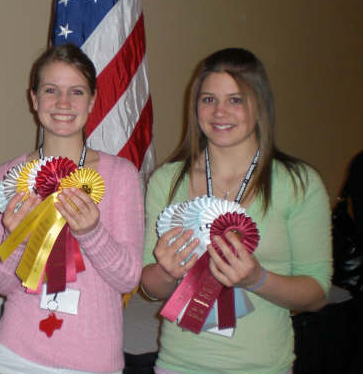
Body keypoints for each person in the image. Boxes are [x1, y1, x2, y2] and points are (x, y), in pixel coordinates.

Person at [141, 48, 332, 374]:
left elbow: (316, 294)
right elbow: (150, 287)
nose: (219, 112)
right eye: (208, 99)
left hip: (262, 367)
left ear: (260, 105)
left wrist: (257, 279)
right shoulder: (166, 180)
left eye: (236, 99)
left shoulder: (299, 183)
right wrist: (166, 271)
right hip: (177, 364)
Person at [0, 44, 144, 373]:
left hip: (94, 360)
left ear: (91, 100)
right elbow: (0, 284)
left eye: (76, 91)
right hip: (16, 355)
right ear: (33, 99)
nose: (62, 103)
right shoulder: (7, 176)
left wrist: (91, 232)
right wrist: (19, 238)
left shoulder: (121, 175)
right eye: (50, 90)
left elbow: (128, 278)